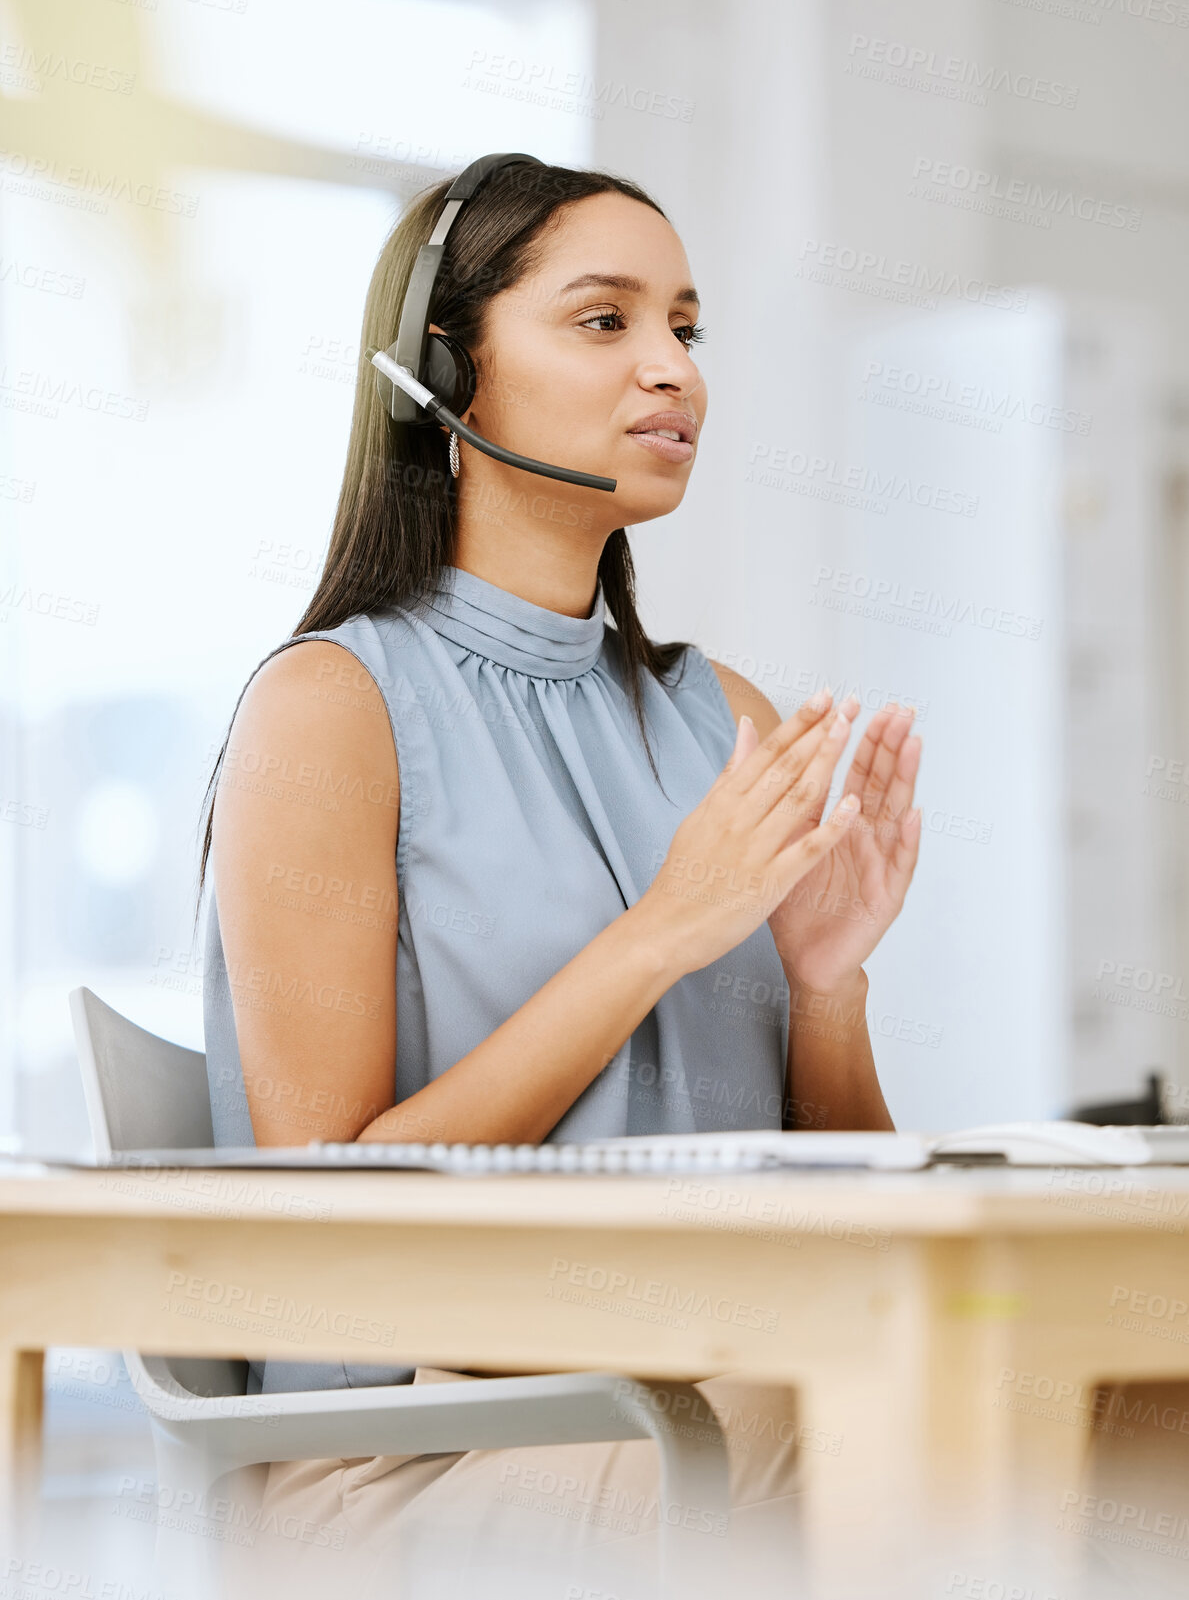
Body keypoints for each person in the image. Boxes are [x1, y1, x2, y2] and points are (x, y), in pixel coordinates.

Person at [196, 159, 923, 1597]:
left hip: (702, 1374)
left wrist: (825, 990)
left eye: (686, 328)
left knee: (1105, 1392)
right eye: (603, 322)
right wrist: (659, 935)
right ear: (441, 374)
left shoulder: (726, 717)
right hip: (408, 1449)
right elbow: (328, 1204)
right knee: (838, 1429)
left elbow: (847, 1207)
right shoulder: (328, 707)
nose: (672, 371)